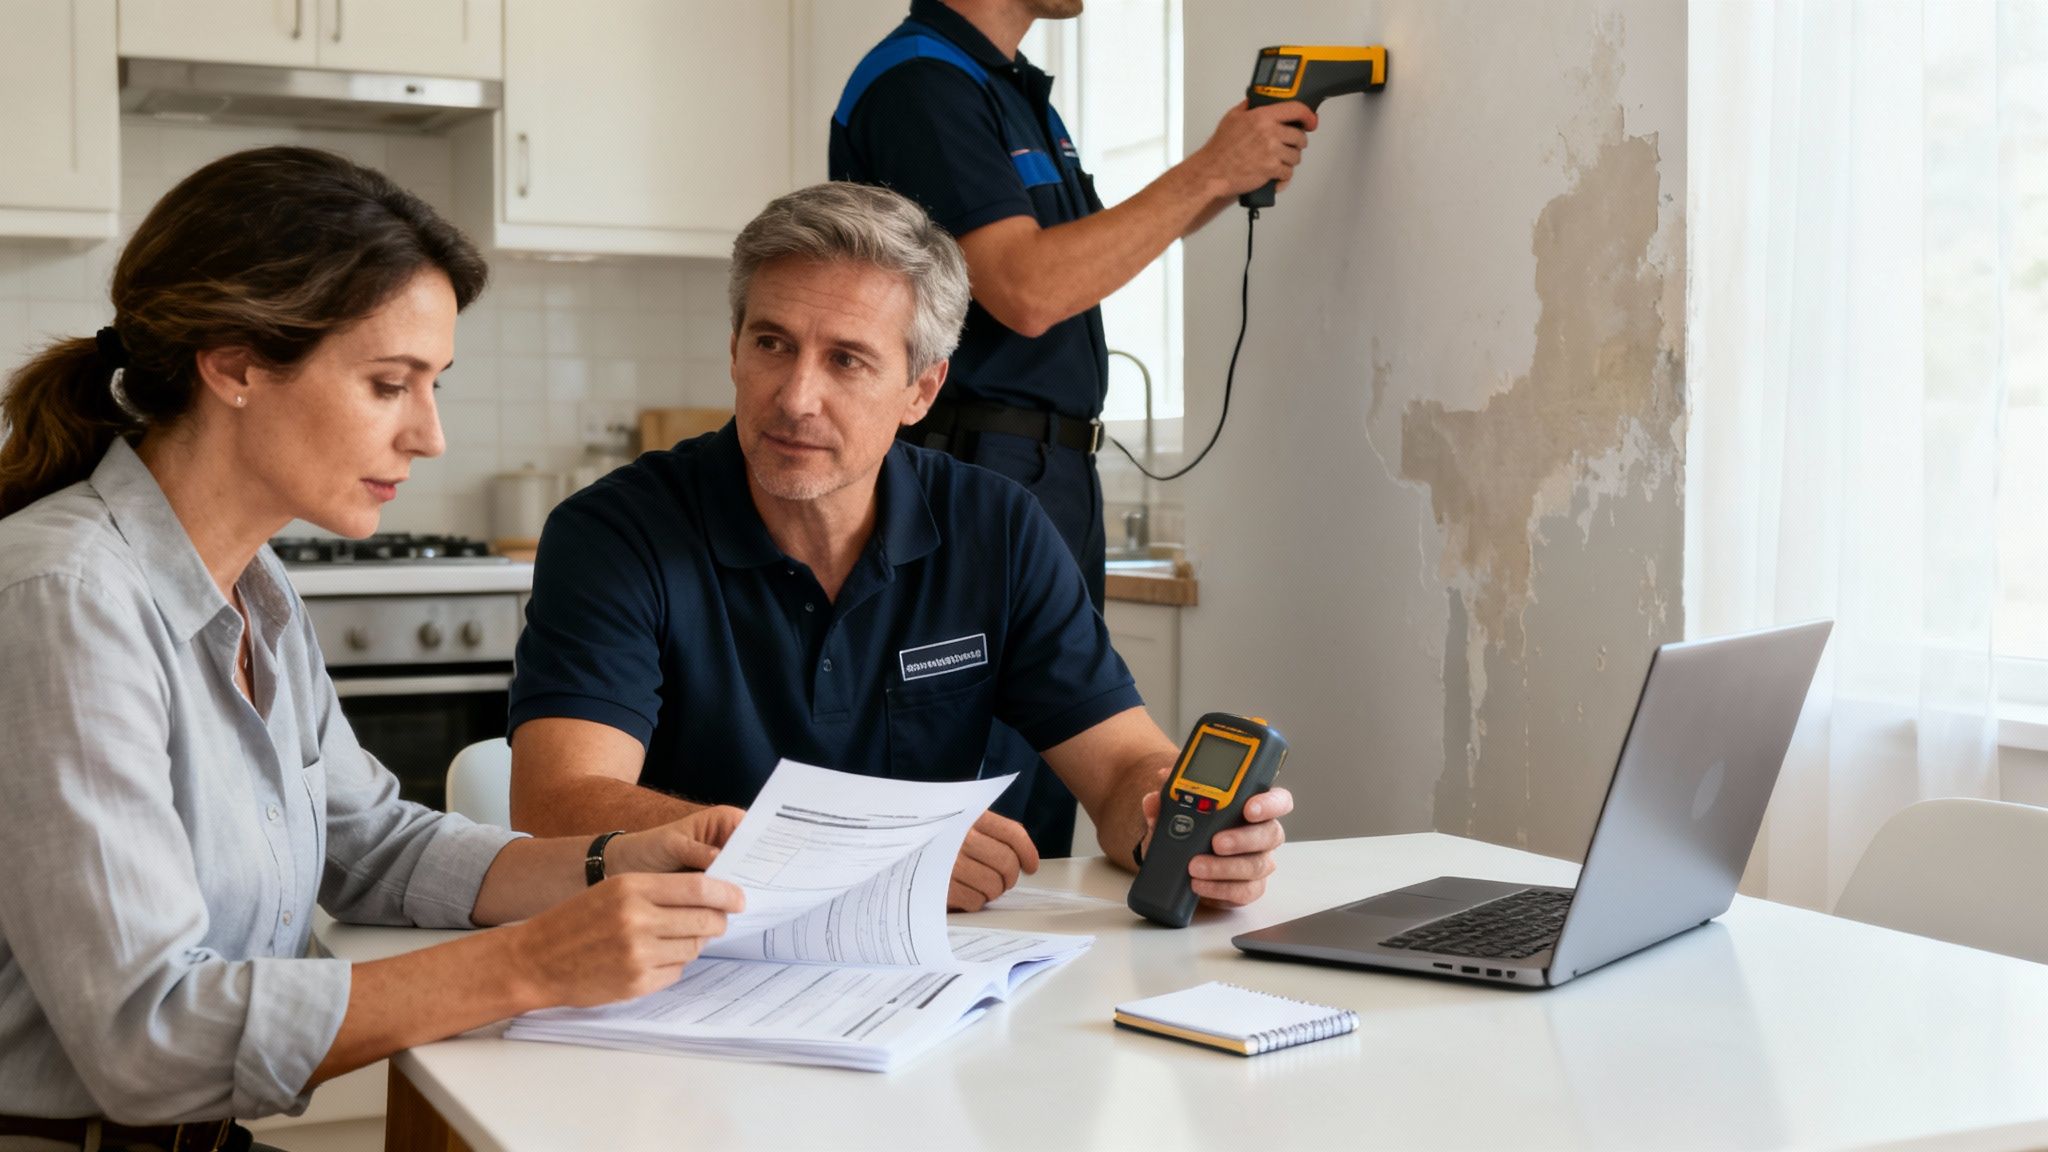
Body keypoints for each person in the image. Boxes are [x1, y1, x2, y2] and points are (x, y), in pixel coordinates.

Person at [0, 147, 744, 1151]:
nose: (430, 435)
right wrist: (532, 964)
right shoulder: (65, 597)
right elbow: (147, 1037)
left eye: (433, 383)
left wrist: (609, 862)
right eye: (389, 383)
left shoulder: (258, 591)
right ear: (233, 363)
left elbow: (375, 847)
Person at [507, 181, 1292, 916]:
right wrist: (859, 851)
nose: (795, 397)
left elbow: (1124, 770)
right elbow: (558, 802)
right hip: (695, 962)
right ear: (735, 350)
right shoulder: (613, 532)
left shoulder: (999, 527)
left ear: (922, 390)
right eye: (773, 344)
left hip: (949, 980)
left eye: (846, 359)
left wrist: (1182, 839)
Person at [830, 0, 1320, 856]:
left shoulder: (1007, 89)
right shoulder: (922, 82)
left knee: (1052, 773)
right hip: (974, 465)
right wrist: (1209, 169)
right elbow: (1026, 290)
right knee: (984, 792)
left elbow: (1073, 260)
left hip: (1039, 470)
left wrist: (1223, 173)